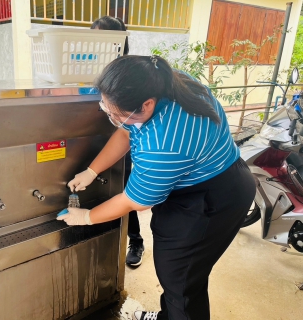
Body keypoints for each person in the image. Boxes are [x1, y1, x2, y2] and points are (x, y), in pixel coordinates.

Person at [58, 55, 256, 320]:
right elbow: (127, 131)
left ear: (146, 104)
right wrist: (93, 170)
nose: (108, 114)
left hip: (210, 199)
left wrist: (86, 217)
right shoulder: (171, 82)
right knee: (186, 274)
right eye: (104, 106)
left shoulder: (163, 144)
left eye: (113, 111)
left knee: (180, 279)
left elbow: (134, 201)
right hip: (219, 174)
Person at [91, 16, 144, 267]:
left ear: (119, 41)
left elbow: (140, 198)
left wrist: (86, 218)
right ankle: (105, 235)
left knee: (126, 189)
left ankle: (135, 240)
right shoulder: (86, 67)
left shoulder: (130, 74)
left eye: (103, 38)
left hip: (126, 139)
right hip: (100, 139)